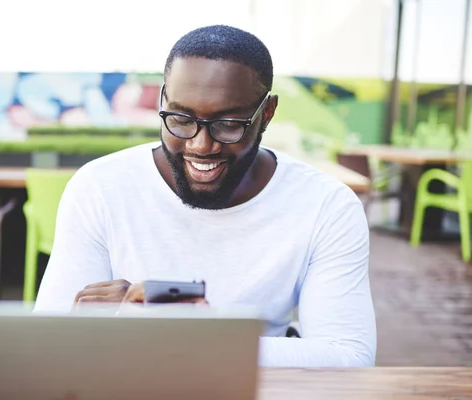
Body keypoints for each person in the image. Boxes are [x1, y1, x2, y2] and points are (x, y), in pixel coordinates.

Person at [34, 24, 376, 367]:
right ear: (162, 101)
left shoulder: (326, 206)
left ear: (266, 114)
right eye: (181, 119)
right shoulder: (100, 186)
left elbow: (349, 355)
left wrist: (199, 338)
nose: (201, 145)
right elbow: (50, 340)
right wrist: (80, 328)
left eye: (228, 123)